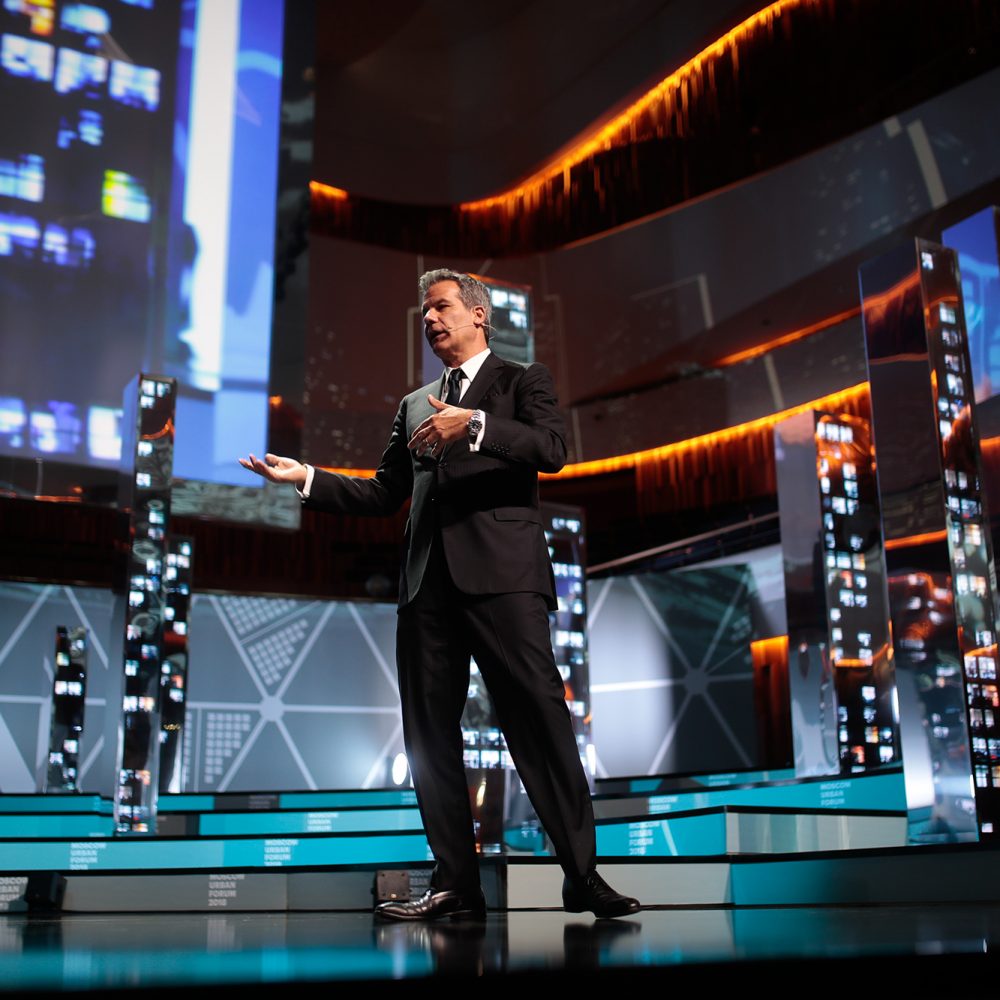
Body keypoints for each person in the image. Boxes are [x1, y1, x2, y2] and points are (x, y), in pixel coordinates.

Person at [240, 269, 639, 921]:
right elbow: (383, 493)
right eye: (423, 312)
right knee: (429, 737)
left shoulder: (521, 380)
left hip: (504, 579)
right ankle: (456, 885)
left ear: (478, 314)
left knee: (538, 718)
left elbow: (552, 449)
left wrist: (474, 426)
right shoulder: (414, 404)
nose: (429, 319)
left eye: (441, 306)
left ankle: (581, 874)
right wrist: (307, 477)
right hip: (426, 585)